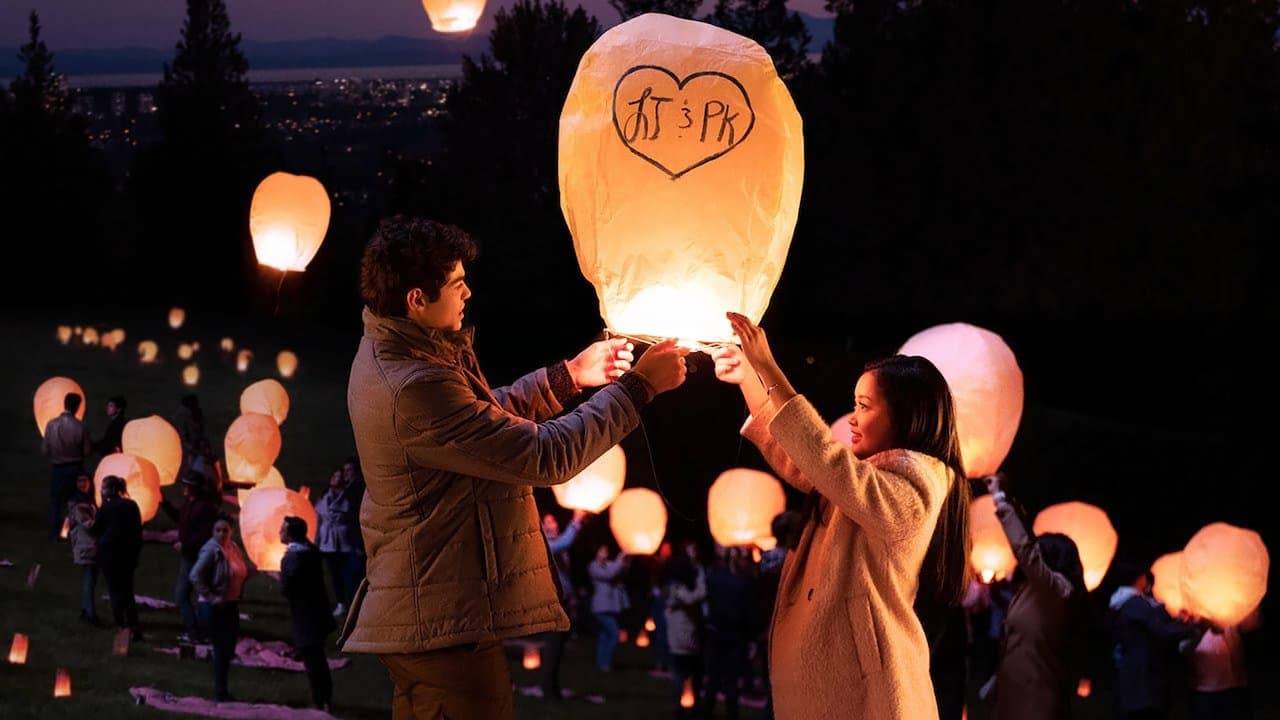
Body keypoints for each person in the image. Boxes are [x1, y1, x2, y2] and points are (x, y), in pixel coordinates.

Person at [339, 215, 689, 720]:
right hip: (440, 621)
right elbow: (543, 456)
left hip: (435, 611)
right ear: (417, 298)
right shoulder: (412, 383)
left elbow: (479, 422)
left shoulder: (402, 352)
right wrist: (640, 387)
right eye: (457, 284)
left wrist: (568, 377)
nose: (468, 293)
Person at [712, 311, 972, 720]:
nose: (852, 417)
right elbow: (804, 461)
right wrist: (749, 380)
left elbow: (825, 463)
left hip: (872, 693)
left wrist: (767, 367)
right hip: (843, 683)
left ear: (905, 416)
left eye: (865, 406)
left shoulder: (915, 486)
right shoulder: (863, 481)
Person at [984, 473, 1090, 720]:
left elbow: (1025, 549)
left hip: (1036, 701)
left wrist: (1000, 500)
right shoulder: (1032, 590)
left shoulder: (1058, 590)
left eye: (1040, 554)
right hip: (1012, 697)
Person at [1108, 559, 1204, 720]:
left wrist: (1181, 622)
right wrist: (1192, 625)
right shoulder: (1135, 604)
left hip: (1136, 673)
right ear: (1140, 578)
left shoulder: (1123, 602)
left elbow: (1155, 627)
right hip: (1143, 678)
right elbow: (1161, 632)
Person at [190, 513, 251, 702]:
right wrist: (211, 597)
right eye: (218, 530)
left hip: (231, 605)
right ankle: (220, 691)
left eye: (225, 530)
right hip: (214, 607)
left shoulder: (233, 548)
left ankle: (222, 688)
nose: (222, 533)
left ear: (232, 531)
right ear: (212, 531)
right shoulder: (211, 551)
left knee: (228, 648)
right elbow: (195, 575)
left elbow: (241, 571)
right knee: (221, 648)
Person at [280, 515, 337, 712]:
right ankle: (326, 699)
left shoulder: (292, 559)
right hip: (319, 614)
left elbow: (287, 589)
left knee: (312, 661)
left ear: (290, 534)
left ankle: (319, 701)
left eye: (283, 529)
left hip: (305, 617)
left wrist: (281, 578)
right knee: (319, 659)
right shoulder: (311, 552)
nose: (280, 532)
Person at [160, 466, 221, 643]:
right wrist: (164, 503)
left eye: (186, 485)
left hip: (197, 557)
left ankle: (195, 631)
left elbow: (204, 535)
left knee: (184, 594)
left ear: (195, 487)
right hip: (189, 555)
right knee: (192, 594)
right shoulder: (190, 503)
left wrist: (185, 544)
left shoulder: (204, 508)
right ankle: (199, 631)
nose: (183, 488)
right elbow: (180, 518)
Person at [539, 508, 588, 701]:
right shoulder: (545, 545)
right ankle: (548, 690)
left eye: (555, 521)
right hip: (554, 604)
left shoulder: (557, 545)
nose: (554, 524)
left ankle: (552, 688)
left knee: (558, 648)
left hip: (564, 602)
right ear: (542, 527)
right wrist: (576, 521)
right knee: (553, 646)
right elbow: (565, 542)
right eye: (548, 522)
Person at [92, 474, 143, 640]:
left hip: (110, 556)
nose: (101, 490)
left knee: (115, 591)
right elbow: (138, 531)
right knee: (128, 591)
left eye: (104, 487)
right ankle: (134, 626)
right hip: (128, 555)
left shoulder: (107, 508)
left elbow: (96, 528)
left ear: (112, 489)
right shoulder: (132, 505)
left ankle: (121, 626)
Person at [1188, 607, 1262, 720]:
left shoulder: (1229, 598)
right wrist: (1204, 627)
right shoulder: (1191, 605)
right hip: (1206, 690)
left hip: (1236, 686)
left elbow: (1252, 624)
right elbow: (1182, 646)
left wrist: (1254, 603)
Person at [664, 547, 708, 718]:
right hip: (684, 640)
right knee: (687, 675)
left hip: (679, 640)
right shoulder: (677, 588)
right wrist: (701, 576)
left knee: (682, 675)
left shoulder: (672, 587)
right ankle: (685, 708)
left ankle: (682, 708)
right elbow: (695, 596)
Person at [42, 391, 92, 540]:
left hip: (58, 468)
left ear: (64, 404)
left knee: (56, 502)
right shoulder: (80, 426)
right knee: (76, 502)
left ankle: (54, 534)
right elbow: (87, 451)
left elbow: (44, 449)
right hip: (76, 468)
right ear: (77, 407)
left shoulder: (51, 425)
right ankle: (74, 533)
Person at [314, 467, 359, 617]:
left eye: (339, 476)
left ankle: (351, 602)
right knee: (335, 575)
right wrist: (316, 542)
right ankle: (341, 603)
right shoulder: (324, 497)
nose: (336, 479)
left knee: (348, 575)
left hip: (344, 541)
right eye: (334, 476)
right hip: (328, 542)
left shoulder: (348, 498)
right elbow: (318, 520)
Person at [66, 473, 102, 626]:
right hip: (86, 544)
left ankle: (86, 609)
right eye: (79, 480)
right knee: (89, 580)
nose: (82, 484)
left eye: (85, 480)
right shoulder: (78, 503)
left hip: (91, 544)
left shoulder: (90, 500)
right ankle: (90, 613)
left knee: (91, 580)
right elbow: (88, 524)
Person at [590, 544, 631, 672]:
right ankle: (605, 663)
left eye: (606, 551)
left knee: (605, 636)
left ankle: (602, 663)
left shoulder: (610, 564)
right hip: (601, 608)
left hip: (611, 607)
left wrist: (627, 560)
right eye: (601, 551)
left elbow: (620, 571)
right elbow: (609, 574)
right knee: (614, 634)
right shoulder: (593, 566)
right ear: (596, 553)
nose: (604, 554)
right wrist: (620, 558)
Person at [174, 393, 213, 482]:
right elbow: (183, 438)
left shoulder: (195, 415)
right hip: (191, 453)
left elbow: (201, 433)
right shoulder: (183, 417)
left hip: (196, 451)